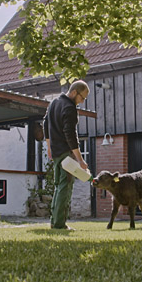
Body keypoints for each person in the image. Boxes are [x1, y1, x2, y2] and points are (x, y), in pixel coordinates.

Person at [43, 80, 90, 230]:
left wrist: (49, 147)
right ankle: (59, 224)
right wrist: (80, 159)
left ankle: (54, 220)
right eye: (82, 98)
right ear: (75, 92)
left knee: (58, 186)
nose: (82, 101)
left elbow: (45, 124)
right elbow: (70, 135)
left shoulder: (54, 103)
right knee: (65, 187)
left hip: (56, 153)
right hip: (65, 154)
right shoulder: (70, 108)